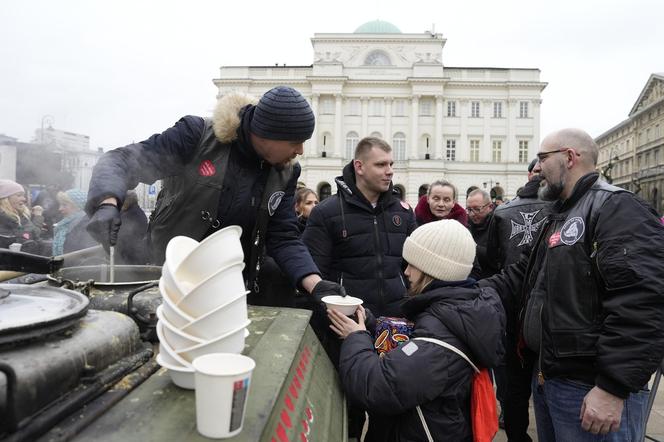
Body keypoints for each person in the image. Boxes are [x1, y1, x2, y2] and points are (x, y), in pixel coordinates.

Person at [479, 128, 664, 441]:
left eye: (542, 159)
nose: (537, 169)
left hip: (591, 390)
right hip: (552, 378)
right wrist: (461, 295)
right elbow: (522, 275)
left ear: (569, 157)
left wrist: (611, 387)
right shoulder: (559, 213)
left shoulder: (616, 208)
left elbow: (643, 302)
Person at [85, 86, 344, 302]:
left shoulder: (286, 172)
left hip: (231, 291)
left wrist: (315, 284)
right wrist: (107, 202)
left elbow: (284, 236)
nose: (300, 150)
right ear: (265, 134)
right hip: (166, 282)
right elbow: (120, 161)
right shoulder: (195, 137)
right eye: (294, 141)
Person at [328, 219, 505, 441]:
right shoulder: (456, 310)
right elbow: (416, 342)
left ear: (433, 271)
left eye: (413, 265)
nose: (406, 272)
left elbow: (376, 387)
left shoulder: (438, 344)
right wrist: (372, 324)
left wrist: (356, 337)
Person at [303, 136, 416, 361]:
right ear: (359, 166)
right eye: (381, 164)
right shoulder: (326, 213)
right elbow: (315, 275)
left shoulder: (403, 212)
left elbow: (416, 271)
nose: (390, 171)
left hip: (397, 326)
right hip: (348, 327)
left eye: (391, 164)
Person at [483, 158, 550, 442]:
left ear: (529, 175)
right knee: (551, 382)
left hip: (513, 308)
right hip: (552, 310)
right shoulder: (563, 209)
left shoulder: (504, 211)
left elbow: (491, 261)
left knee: (514, 384)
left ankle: (517, 436)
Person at [52, 189, 98, 258]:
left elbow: (88, 256)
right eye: (60, 205)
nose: (60, 208)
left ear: (78, 206)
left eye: (64, 205)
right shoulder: (66, 225)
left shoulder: (87, 226)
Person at [0, 179, 42, 252]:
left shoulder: (23, 217)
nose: (24, 199)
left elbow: (36, 235)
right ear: (5, 199)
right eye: (19, 195)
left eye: (24, 196)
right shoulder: (3, 220)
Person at [466, 188, 494, 279]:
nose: (472, 214)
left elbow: (497, 259)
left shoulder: (499, 224)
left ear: (490, 207)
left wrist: (473, 247)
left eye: (477, 209)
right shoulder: (465, 223)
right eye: (469, 209)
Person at [116, 190, 149, 264]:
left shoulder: (129, 214)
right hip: (139, 253)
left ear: (128, 201)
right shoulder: (139, 212)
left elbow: (121, 235)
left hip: (130, 255)